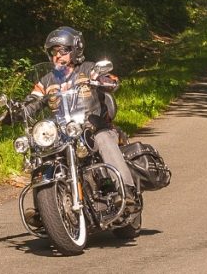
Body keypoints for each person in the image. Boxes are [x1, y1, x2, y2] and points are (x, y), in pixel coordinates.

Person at [22, 26, 136, 202]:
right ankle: (42, 208)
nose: (58, 55)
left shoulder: (88, 68)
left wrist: (104, 81)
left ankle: (126, 190)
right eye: (54, 51)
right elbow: (33, 99)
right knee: (39, 151)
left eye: (63, 50)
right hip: (62, 134)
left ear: (76, 49)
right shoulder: (46, 80)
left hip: (93, 128)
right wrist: (18, 109)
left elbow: (111, 80)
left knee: (104, 139)